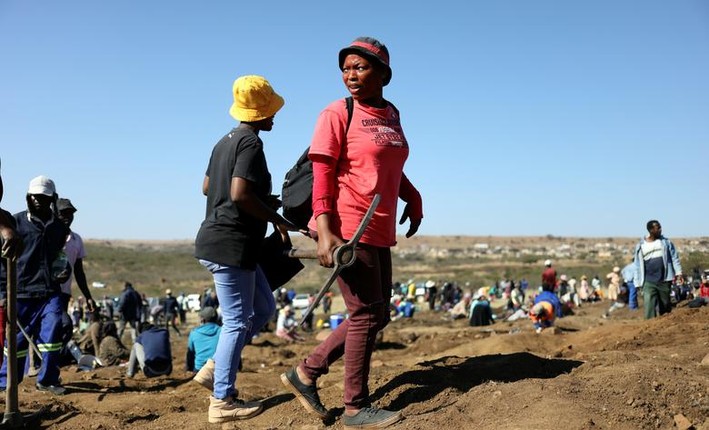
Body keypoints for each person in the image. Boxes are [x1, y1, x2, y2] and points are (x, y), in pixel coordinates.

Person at [280, 37, 421, 430]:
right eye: (346, 68)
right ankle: (356, 408)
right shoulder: (336, 112)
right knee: (363, 313)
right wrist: (325, 231)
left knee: (379, 313)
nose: (351, 75)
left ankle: (306, 373)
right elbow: (323, 172)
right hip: (346, 226)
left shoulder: (391, 113)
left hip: (378, 224)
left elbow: (389, 164)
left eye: (360, 67)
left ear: (382, 74)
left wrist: (413, 196)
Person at [194, 75, 297, 423]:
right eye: (270, 111)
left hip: (229, 244)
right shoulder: (251, 143)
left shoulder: (224, 142)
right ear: (259, 113)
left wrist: (259, 199)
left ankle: (214, 367)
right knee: (237, 322)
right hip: (230, 245)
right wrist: (276, 218)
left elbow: (209, 187)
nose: (274, 117)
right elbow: (238, 194)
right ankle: (222, 400)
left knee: (264, 307)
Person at [0, 176, 71, 395]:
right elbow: (2, 261)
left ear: (52, 199)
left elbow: (59, 256)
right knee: (15, 342)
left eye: (43, 197)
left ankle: (48, 379)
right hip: (19, 293)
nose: (38, 200)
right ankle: (6, 383)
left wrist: (64, 269)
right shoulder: (14, 223)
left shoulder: (59, 228)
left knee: (53, 331)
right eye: (34, 196)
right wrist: (3, 292)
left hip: (49, 293)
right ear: (27, 197)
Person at [632, 220, 683, 319]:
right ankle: (649, 327)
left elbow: (674, 258)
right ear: (651, 230)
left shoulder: (665, 242)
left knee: (665, 305)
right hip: (648, 280)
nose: (660, 229)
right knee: (649, 305)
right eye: (658, 228)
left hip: (664, 279)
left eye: (660, 227)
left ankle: (664, 327)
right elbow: (637, 265)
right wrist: (637, 282)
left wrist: (679, 273)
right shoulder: (641, 245)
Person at [55, 198, 96, 314]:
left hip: (64, 293)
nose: (67, 217)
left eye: (70, 213)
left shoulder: (76, 240)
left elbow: (79, 272)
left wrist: (88, 296)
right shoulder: (47, 237)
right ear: (56, 214)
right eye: (63, 213)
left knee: (62, 327)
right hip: (47, 292)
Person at [186, 306, 221, 373]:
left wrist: (189, 369)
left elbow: (190, 353)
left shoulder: (194, 333)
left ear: (203, 320)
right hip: (218, 369)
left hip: (199, 370)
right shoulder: (222, 331)